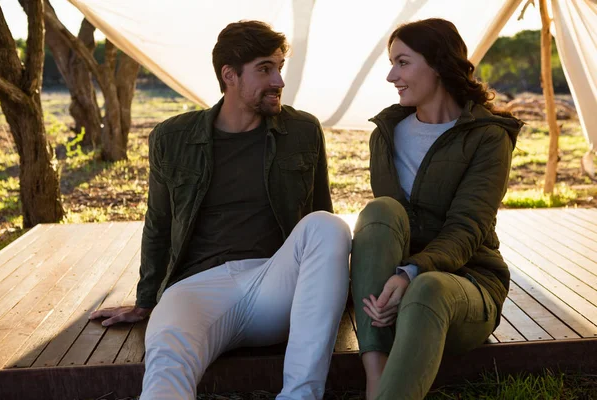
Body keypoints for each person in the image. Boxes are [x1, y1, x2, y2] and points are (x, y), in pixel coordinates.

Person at [89, 20, 352, 400]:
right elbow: (158, 225)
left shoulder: (302, 130)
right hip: (196, 290)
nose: (279, 80)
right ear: (229, 75)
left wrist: (335, 294)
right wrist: (147, 299)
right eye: (265, 69)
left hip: (273, 283)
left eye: (280, 67)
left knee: (327, 226)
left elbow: (319, 213)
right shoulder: (172, 137)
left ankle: (300, 395)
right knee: (167, 362)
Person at [350, 18, 523, 400]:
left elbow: (468, 226)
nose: (391, 75)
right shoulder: (385, 134)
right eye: (392, 63)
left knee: (427, 287)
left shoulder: (487, 137)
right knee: (379, 211)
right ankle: (375, 378)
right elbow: (386, 230)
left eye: (402, 62)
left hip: (464, 288)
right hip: (391, 296)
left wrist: (411, 273)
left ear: (439, 64)